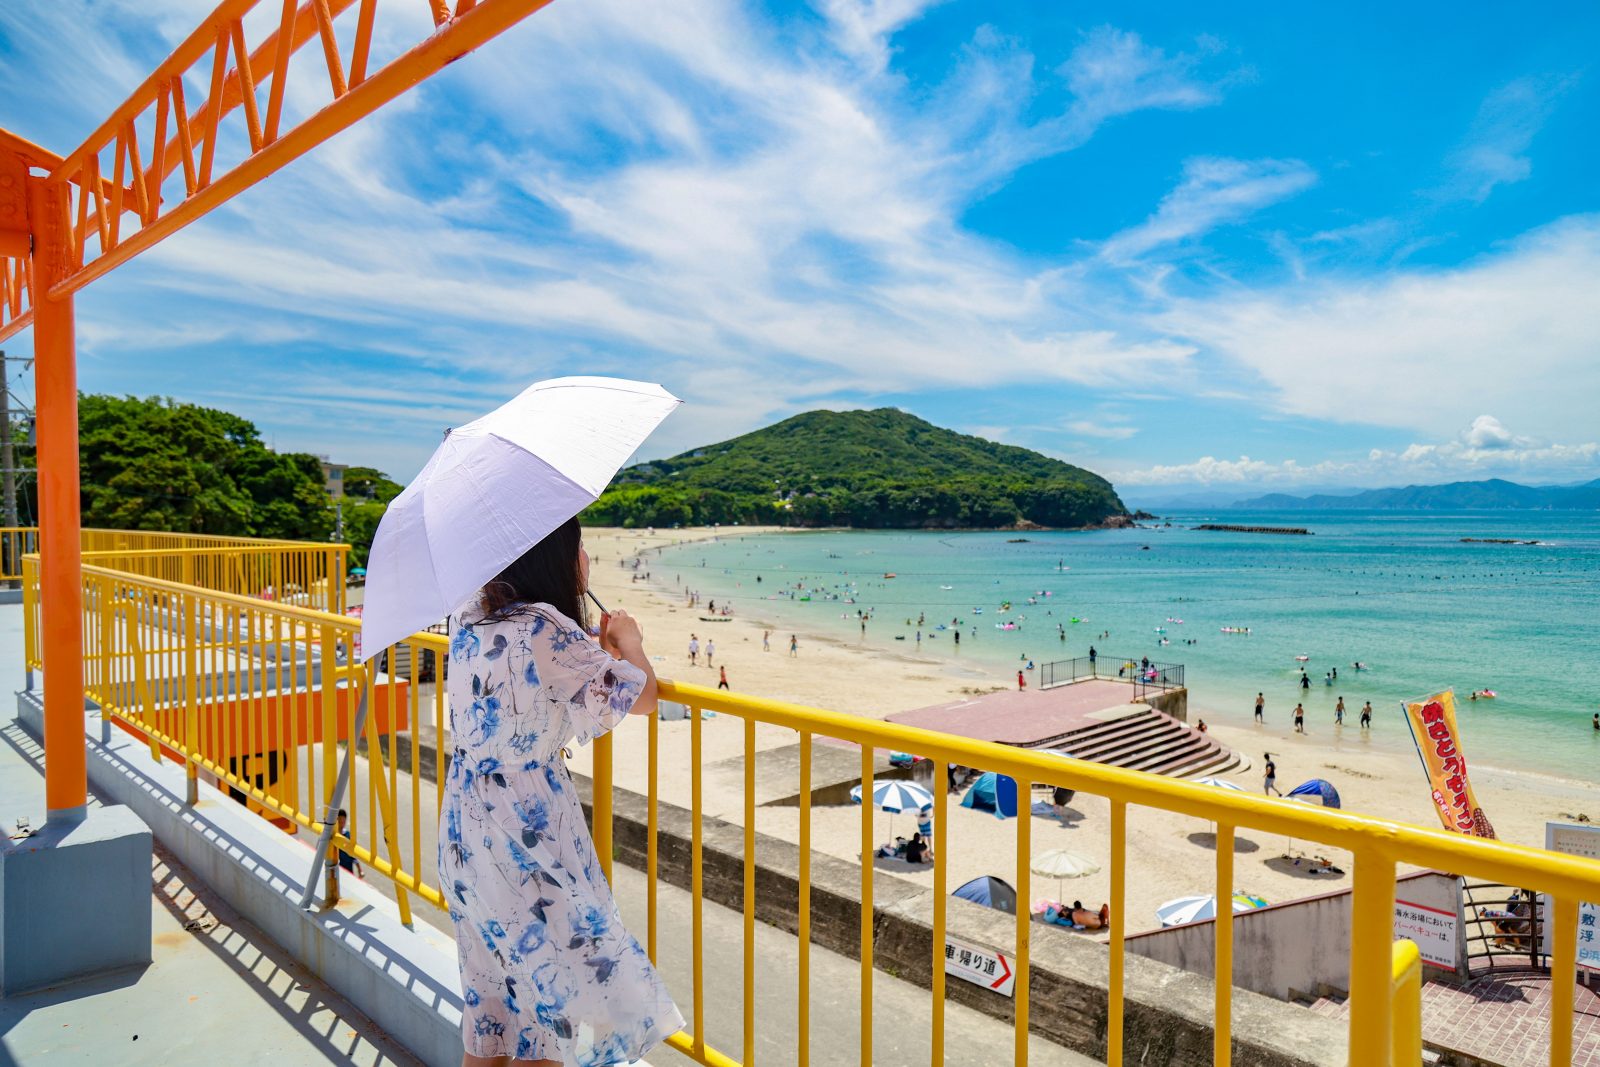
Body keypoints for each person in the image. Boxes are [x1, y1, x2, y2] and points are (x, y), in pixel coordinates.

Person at [439, 517, 681, 1066]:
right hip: (526, 830)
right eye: (579, 545)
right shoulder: (543, 626)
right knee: (550, 1013)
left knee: (490, 1005)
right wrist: (628, 643)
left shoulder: (469, 613)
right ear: (554, 557)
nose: (587, 557)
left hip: (465, 824)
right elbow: (640, 697)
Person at [334, 809, 363, 878]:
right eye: (340, 821)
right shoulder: (333, 835)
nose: (342, 824)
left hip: (348, 870)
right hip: (336, 870)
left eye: (343, 822)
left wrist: (359, 869)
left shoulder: (348, 835)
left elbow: (353, 855)